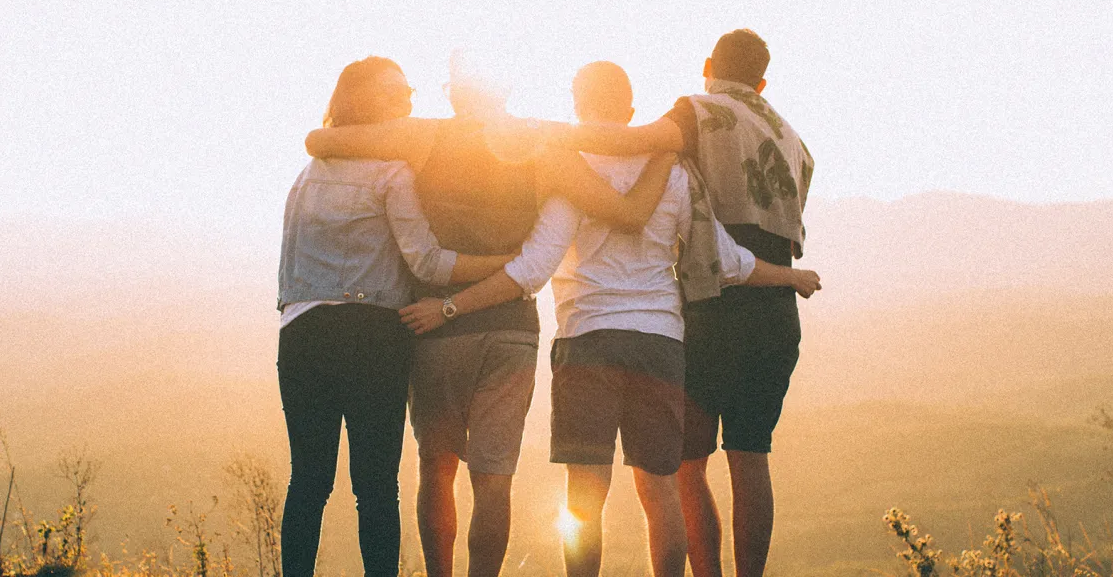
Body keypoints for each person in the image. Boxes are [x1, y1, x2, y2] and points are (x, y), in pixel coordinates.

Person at [398, 61, 820, 577]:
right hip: (661, 341)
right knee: (660, 488)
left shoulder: (570, 170)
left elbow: (533, 269)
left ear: (577, 105)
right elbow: (724, 258)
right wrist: (788, 276)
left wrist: (452, 305)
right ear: (632, 108)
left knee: (584, 495)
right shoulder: (676, 172)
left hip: (587, 341)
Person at [304, 52, 675, 577]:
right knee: (493, 479)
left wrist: (323, 139)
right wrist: (669, 142)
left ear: (455, 91)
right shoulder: (543, 144)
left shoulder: (422, 136)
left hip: (433, 327)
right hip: (511, 330)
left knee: (436, 468)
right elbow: (628, 212)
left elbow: (323, 142)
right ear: (504, 90)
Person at [553, 30, 817, 577]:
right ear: (762, 81)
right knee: (751, 459)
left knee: (686, 468)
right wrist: (788, 278)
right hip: (774, 307)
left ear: (707, 66)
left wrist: (540, 138)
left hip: (710, 306)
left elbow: (631, 143)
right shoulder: (793, 139)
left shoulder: (696, 111)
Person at [275, 56, 516, 577]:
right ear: (362, 100)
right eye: (394, 92)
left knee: (308, 481)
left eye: (408, 89)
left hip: (301, 334)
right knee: (376, 486)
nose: (407, 99)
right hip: (372, 336)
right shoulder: (392, 171)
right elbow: (427, 261)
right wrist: (506, 266)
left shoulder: (306, 175)